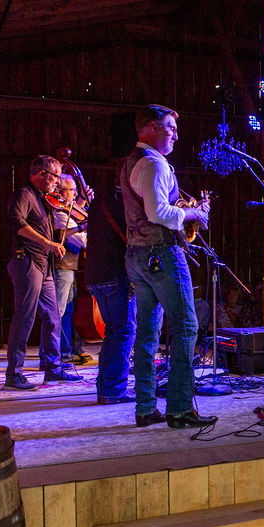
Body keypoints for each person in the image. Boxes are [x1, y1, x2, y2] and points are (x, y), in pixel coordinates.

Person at [120, 104, 215, 429]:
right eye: (169, 127)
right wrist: (193, 214)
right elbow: (158, 212)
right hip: (161, 253)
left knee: (147, 332)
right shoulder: (153, 164)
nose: (175, 134)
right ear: (148, 128)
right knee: (187, 326)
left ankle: (146, 407)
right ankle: (179, 408)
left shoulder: (133, 161)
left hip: (137, 254)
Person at [3, 155, 82, 390]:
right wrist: (47, 243)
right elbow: (17, 223)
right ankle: (14, 374)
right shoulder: (24, 195)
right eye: (55, 177)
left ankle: (53, 369)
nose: (57, 183)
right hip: (26, 261)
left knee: (53, 316)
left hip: (43, 264)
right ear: (42, 174)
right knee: (25, 316)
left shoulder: (43, 199)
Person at [85, 182, 136, 404]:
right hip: (115, 274)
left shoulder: (99, 203)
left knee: (113, 332)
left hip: (94, 276)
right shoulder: (124, 207)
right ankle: (113, 390)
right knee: (124, 331)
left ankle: (105, 387)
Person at [47, 174, 90, 368]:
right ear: (60, 192)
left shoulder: (70, 210)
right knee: (59, 311)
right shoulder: (60, 212)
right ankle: (55, 355)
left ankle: (65, 351)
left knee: (67, 311)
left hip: (70, 267)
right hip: (61, 267)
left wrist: (80, 203)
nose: (75, 193)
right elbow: (81, 240)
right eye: (71, 190)